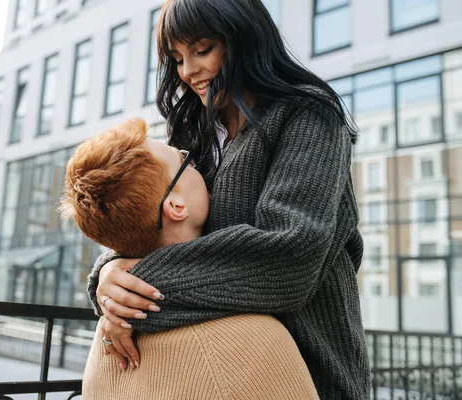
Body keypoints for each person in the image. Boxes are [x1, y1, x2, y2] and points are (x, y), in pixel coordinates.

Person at [87, 0, 371, 399]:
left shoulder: (308, 115)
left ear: (243, 37)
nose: (187, 71)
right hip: (205, 368)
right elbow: (156, 222)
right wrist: (110, 274)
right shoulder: (192, 129)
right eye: (177, 58)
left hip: (308, 366)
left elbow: (291, 256)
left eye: (202, 50)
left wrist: (137, 289)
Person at [61, 118, 319, 399]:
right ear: (176, 205)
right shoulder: (256, 340)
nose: (197, 164)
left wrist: (111, 269)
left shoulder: (109, 331)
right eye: (184, 160)